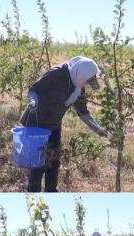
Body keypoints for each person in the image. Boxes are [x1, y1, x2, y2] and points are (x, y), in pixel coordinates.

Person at [20, 56, 108, 192]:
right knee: (38, 164)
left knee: (54, 161)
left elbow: (82, 111)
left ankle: (51, 192)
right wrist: (33, 101)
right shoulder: (57, 73)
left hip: (54, 124)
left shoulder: (78, 83)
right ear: (81, 74)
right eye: (87, 81)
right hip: (37, 123)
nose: (86, 85)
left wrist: (98, 129)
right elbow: (34, 89)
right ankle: (33, 196)